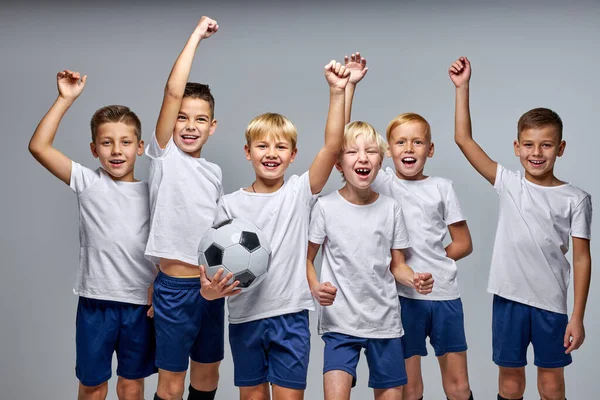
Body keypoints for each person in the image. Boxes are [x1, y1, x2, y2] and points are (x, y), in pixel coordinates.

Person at [200, 59, 351, 400]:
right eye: (262, 146)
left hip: (290, 316)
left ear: (294, 155)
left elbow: (331, 146)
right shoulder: (228, 205)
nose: (271, 153)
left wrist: (337, 91)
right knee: (252, 397)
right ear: (247, 152)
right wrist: (211, 292)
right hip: (244, 319)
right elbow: (207, 281)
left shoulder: (299, 192)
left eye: (281, 147)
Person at [450, 56, 592, 400]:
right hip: (509, 299)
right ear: (517, 148)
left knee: (551, 384)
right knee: (510, 382)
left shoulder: (576, 198)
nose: (536, 152)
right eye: (528, 144)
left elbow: (582, 259)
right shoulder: (510, 184)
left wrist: (577, 317)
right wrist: (463, 87)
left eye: (546, 144)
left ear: (560, 148)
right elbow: (463, 139)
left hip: (552, 306)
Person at [345, 52, 475, 400]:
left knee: (458, 386)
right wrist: (349, 89)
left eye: (418, 142)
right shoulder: (383, 183)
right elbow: (346, 145)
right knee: (409, 386)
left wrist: (434, 261)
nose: (409, 148)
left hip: (444, 296)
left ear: (430, 149)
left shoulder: (442, 187)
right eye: (400, 142)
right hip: (402, 298)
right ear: (387, 151)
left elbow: (463, 242)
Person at [28, 70, 156, 399]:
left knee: (131, 388)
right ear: (94, 148)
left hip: (140, 305)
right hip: (96, 303)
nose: (117, 150)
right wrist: (65, 99)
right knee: (92, 386)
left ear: (139, 147)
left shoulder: (153, 193)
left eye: (126, 142)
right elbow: (39, 147)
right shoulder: (88, 183)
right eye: (107, 142)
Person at [307, 120, 435, 400]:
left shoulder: (390, 209)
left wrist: (413, 278)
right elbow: (307, 258)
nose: (362, 158)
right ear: (339, 164)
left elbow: (397, 265)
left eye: (371, 152)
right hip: (340, 322)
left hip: (384, 322)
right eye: (352, 152)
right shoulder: (325, 207)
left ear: (381, 161)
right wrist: (315, 287)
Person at [145, 15, 226, 400]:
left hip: (210, 286)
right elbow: (172, 92)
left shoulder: (213, 172)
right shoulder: (164, 157)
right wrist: (195, 36)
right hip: (175, 288)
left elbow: (221, 232)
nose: (190, 126)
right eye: (182, 118)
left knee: (208, 377)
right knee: (172, 382)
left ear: (213, 126)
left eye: (200, 119)